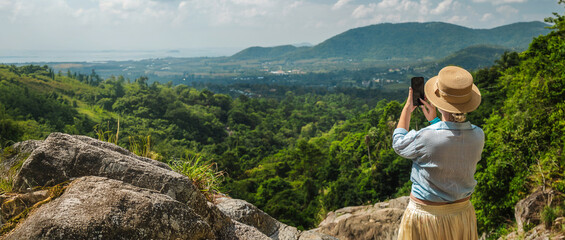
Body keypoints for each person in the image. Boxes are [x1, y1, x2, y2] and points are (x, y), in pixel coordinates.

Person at [392, 66, 484, 240]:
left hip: (427, 218)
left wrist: (407, 108)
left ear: (440, 101)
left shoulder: (427, 136)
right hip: (461, 215)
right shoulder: (478, 135)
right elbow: (451, 141)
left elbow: (398, 144)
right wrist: (435, 121)